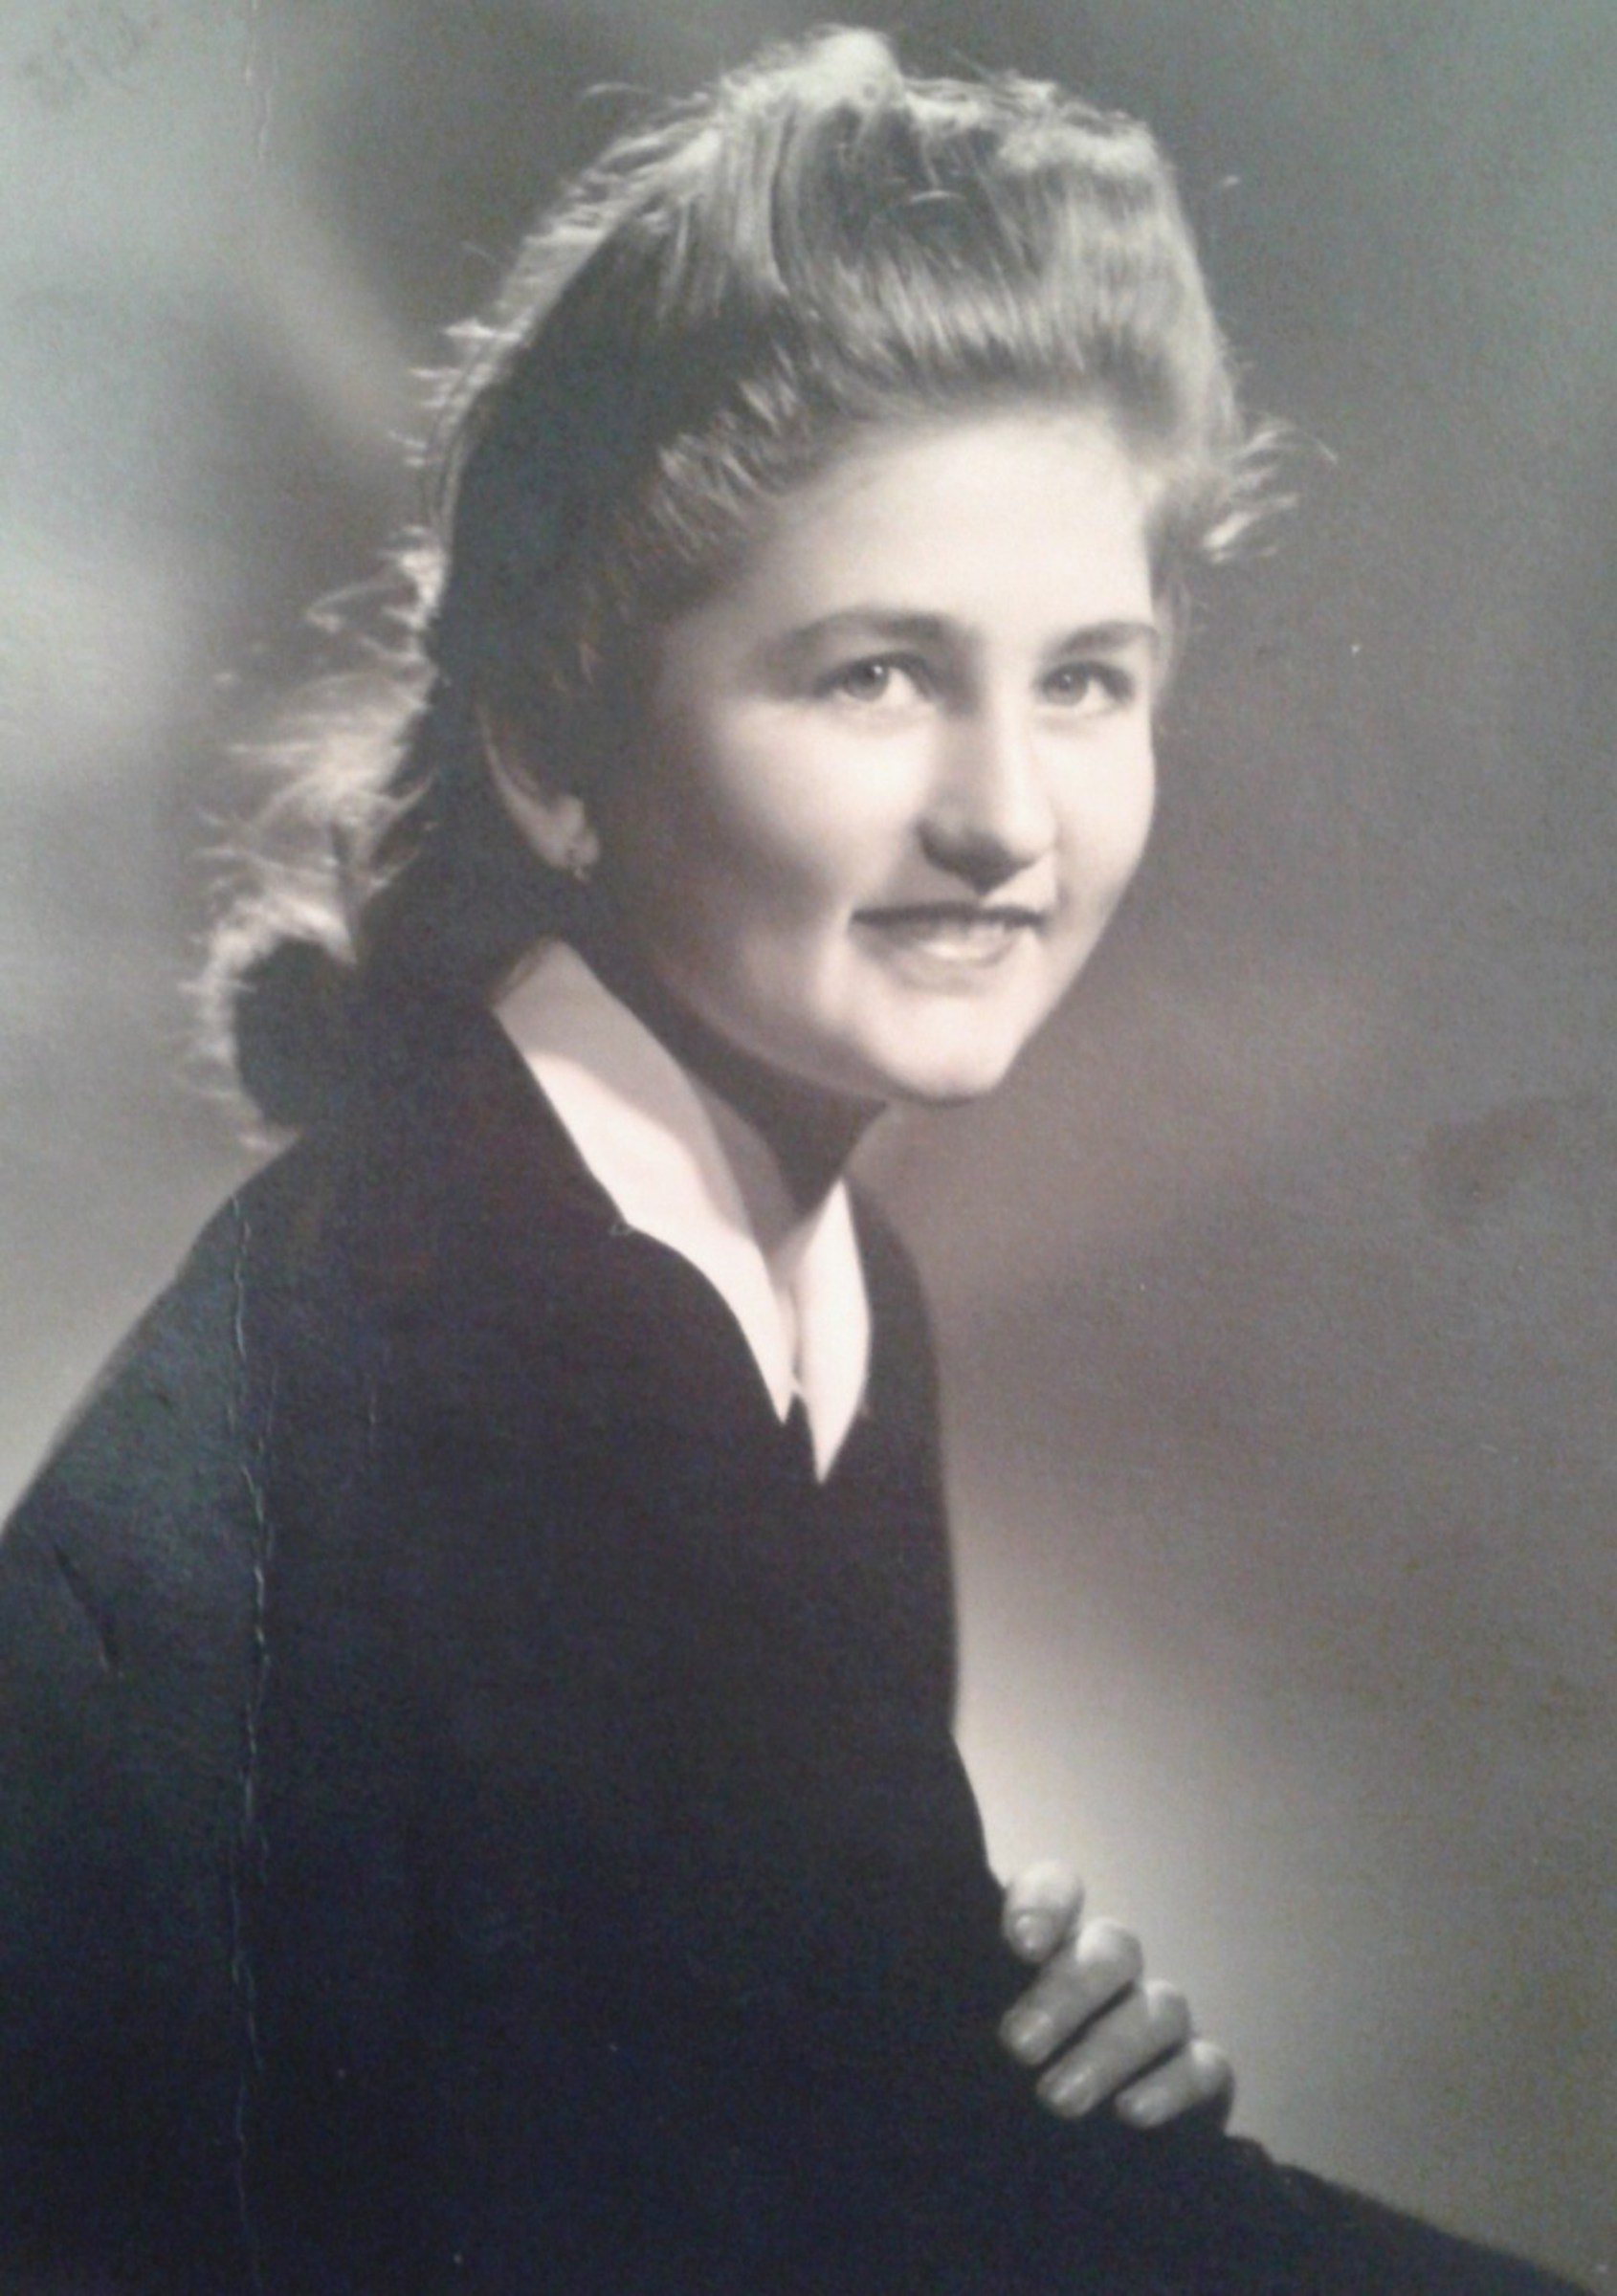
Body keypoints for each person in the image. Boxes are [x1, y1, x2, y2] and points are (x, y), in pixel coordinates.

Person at [0, 28, 1587, 2295]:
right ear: (554, 748)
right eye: (871, 676)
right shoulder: (466, 1346)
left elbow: (798, 2121)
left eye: (1084, 678)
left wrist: (1010, 2052)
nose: (1002, 817)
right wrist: (972, 2119)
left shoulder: (790, 1284)